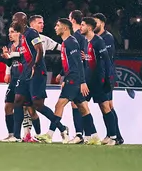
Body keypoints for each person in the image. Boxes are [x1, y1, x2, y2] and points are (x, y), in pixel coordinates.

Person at [37, 19, 99, 144]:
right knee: (83, 108)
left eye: (57, 25)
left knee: (59, 105)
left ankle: (49, 134)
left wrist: (82, 82)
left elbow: (78, 63)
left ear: (65, 28)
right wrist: (63, 75)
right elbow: (70, 63)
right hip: (73, 79)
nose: (55, 27)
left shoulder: (71, 42)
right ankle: (95, 137)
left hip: (74, 80)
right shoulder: (66, 42)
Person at [11, 12, 68, 140]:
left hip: (37, 72)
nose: (14, 23)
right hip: (26, 72)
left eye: (16, 20)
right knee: (18, 100)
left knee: (38, 105)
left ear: (23, 21)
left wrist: (34, 66)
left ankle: (62, 128)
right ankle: (16, 136)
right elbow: (24, 56)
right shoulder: (21, 36)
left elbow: (39, 50)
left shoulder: (32, 33)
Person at [81, 17, 122, 145]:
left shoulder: (99, 41)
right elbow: (89, 60)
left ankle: (113, 137)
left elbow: (107, 61)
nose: (80, 27)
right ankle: (90, 135)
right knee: (81, 104)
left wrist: (108, 79)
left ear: (89, 27)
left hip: (99, 80)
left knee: (105, 107)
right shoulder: (86, 41)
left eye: (83, 25)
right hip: (89, 81)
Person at [1, 26, 36, 142]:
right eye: (9, 32)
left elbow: (23, 56)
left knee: (27, 108)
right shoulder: (10, 46)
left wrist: (10, 55)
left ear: (19, 33)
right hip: (14, 79)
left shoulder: (23, 44)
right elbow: (10, 62)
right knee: (8, 106)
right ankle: (11, 134)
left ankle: (28, 134)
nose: (10, 34)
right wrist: (7, 72)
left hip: (23, 78)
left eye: (12, 32)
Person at [92, 13, 122, 143]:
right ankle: (113, 135)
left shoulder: (107, 37)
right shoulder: (94, 37)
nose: (94, 25)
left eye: (96, 22)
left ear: (103, 23)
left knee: (107, 105)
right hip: (100, 75)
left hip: (107, 75)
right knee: (106, 105)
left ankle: (115, 136)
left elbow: (106, 58)